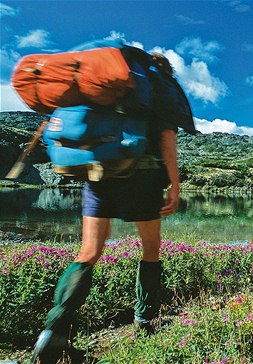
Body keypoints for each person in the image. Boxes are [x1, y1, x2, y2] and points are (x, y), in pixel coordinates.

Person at [31, 53, 192, 364]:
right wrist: (174, 184)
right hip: (142, 176)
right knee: (150, 248)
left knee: (89, 251)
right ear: (165, 72)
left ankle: (54, 331)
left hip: (98, 172)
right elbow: (167, 141)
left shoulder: (107, 89)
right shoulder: (159, 90)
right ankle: (145, 322)